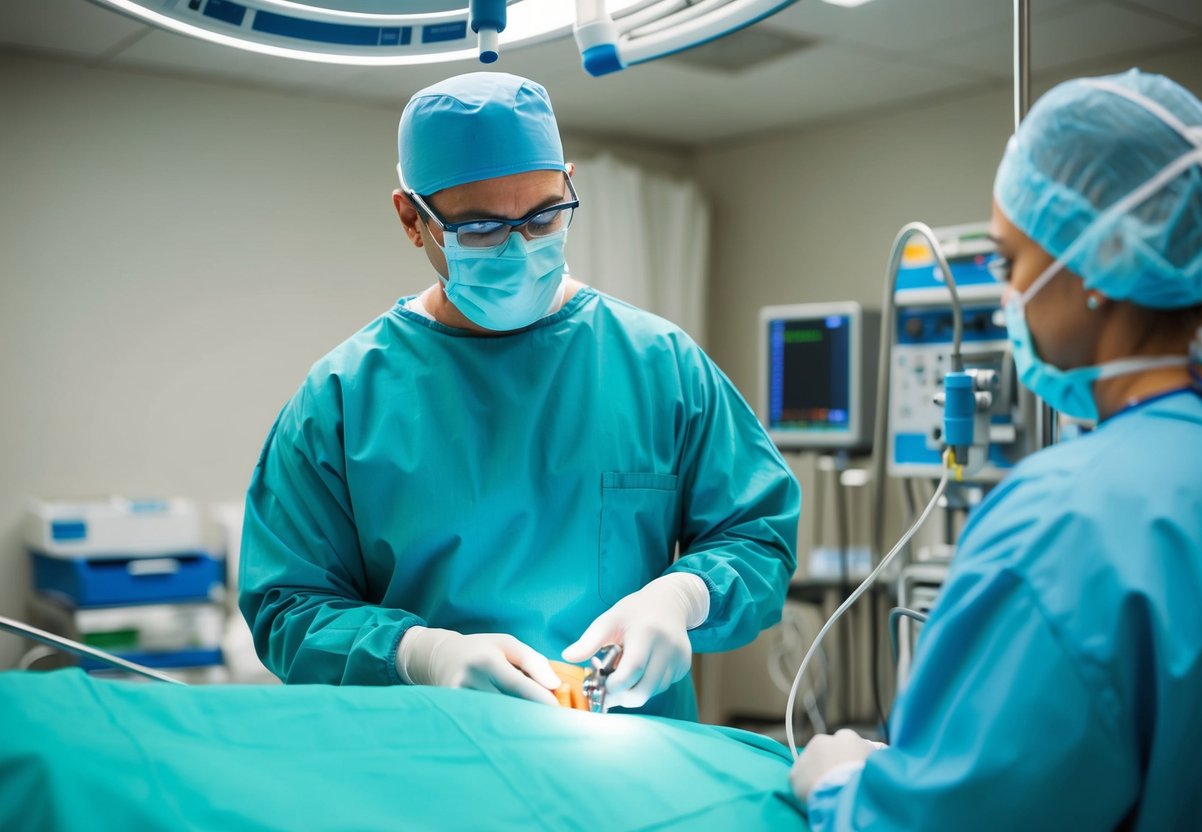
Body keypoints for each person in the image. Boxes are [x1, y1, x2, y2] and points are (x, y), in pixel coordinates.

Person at [238, 72, 800, 721]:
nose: (518, 248)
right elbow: (287, 607)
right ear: (410, 219)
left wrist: (684, 596)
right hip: (430, 757)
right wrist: (418, 654)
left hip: (630, 761)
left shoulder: (659, 364)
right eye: (478, 228)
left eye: (543, 216)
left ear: (568, 184)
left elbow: (756, 537)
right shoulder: (343, 398)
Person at [791, 69, 1202, 829]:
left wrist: (839, 788)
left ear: (1098, 261)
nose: (1004, 296)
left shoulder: (1063, 521)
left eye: (1009, 262)